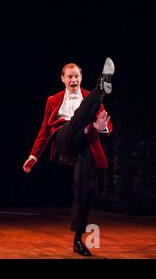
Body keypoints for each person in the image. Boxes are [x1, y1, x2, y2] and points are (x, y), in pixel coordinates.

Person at [22, 58, 115, 256]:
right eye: (70, 76)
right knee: (78, 119)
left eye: (77, 76)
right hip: (64, 136)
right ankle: (102, 87)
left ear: (81, 78)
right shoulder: (53, 100)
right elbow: (44, 130)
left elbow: (108, 123)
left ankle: (77, 240)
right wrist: (33, 156)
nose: (73, 80)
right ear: (63, 79)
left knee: (85, 188)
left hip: (84, 141)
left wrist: (102, 127)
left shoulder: (89, 99)